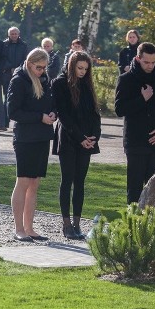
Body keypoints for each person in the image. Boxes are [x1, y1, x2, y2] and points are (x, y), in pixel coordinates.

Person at [114, 42, 155, 204]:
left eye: (153, 62)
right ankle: (134, 226)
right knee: (134, 189)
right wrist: (142, 99)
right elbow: (119, 109)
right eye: (146, 62)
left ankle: (152, 226)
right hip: (135, 141)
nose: (150, 65)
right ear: (138, 58)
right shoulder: (126, 79)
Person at [7, 48, 56, 242]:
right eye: (38, 67)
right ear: (29, 64)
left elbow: (52, 103)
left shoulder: (46, 80)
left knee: (35, 183)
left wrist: (53, 114)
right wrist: (39, 117)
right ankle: (19, 229)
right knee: (24, 181)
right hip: (25, 137)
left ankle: (30, 228)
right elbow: (13, 112)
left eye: (44, 67)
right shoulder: (18, 81)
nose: (42, 71)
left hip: (42, 136)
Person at [52, 51, 101, 240]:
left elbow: (95, 113)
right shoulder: (60, 83)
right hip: (69, 137)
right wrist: (80, 137)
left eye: (86, 69)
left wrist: (94, 136)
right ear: (72, 66)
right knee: (67, 179)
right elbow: (63, 114)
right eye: (79, 68)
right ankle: (66, 224)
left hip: (87, 138)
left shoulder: (87, 85)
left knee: (80, 181)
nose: (82, 72)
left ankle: (77, 223)